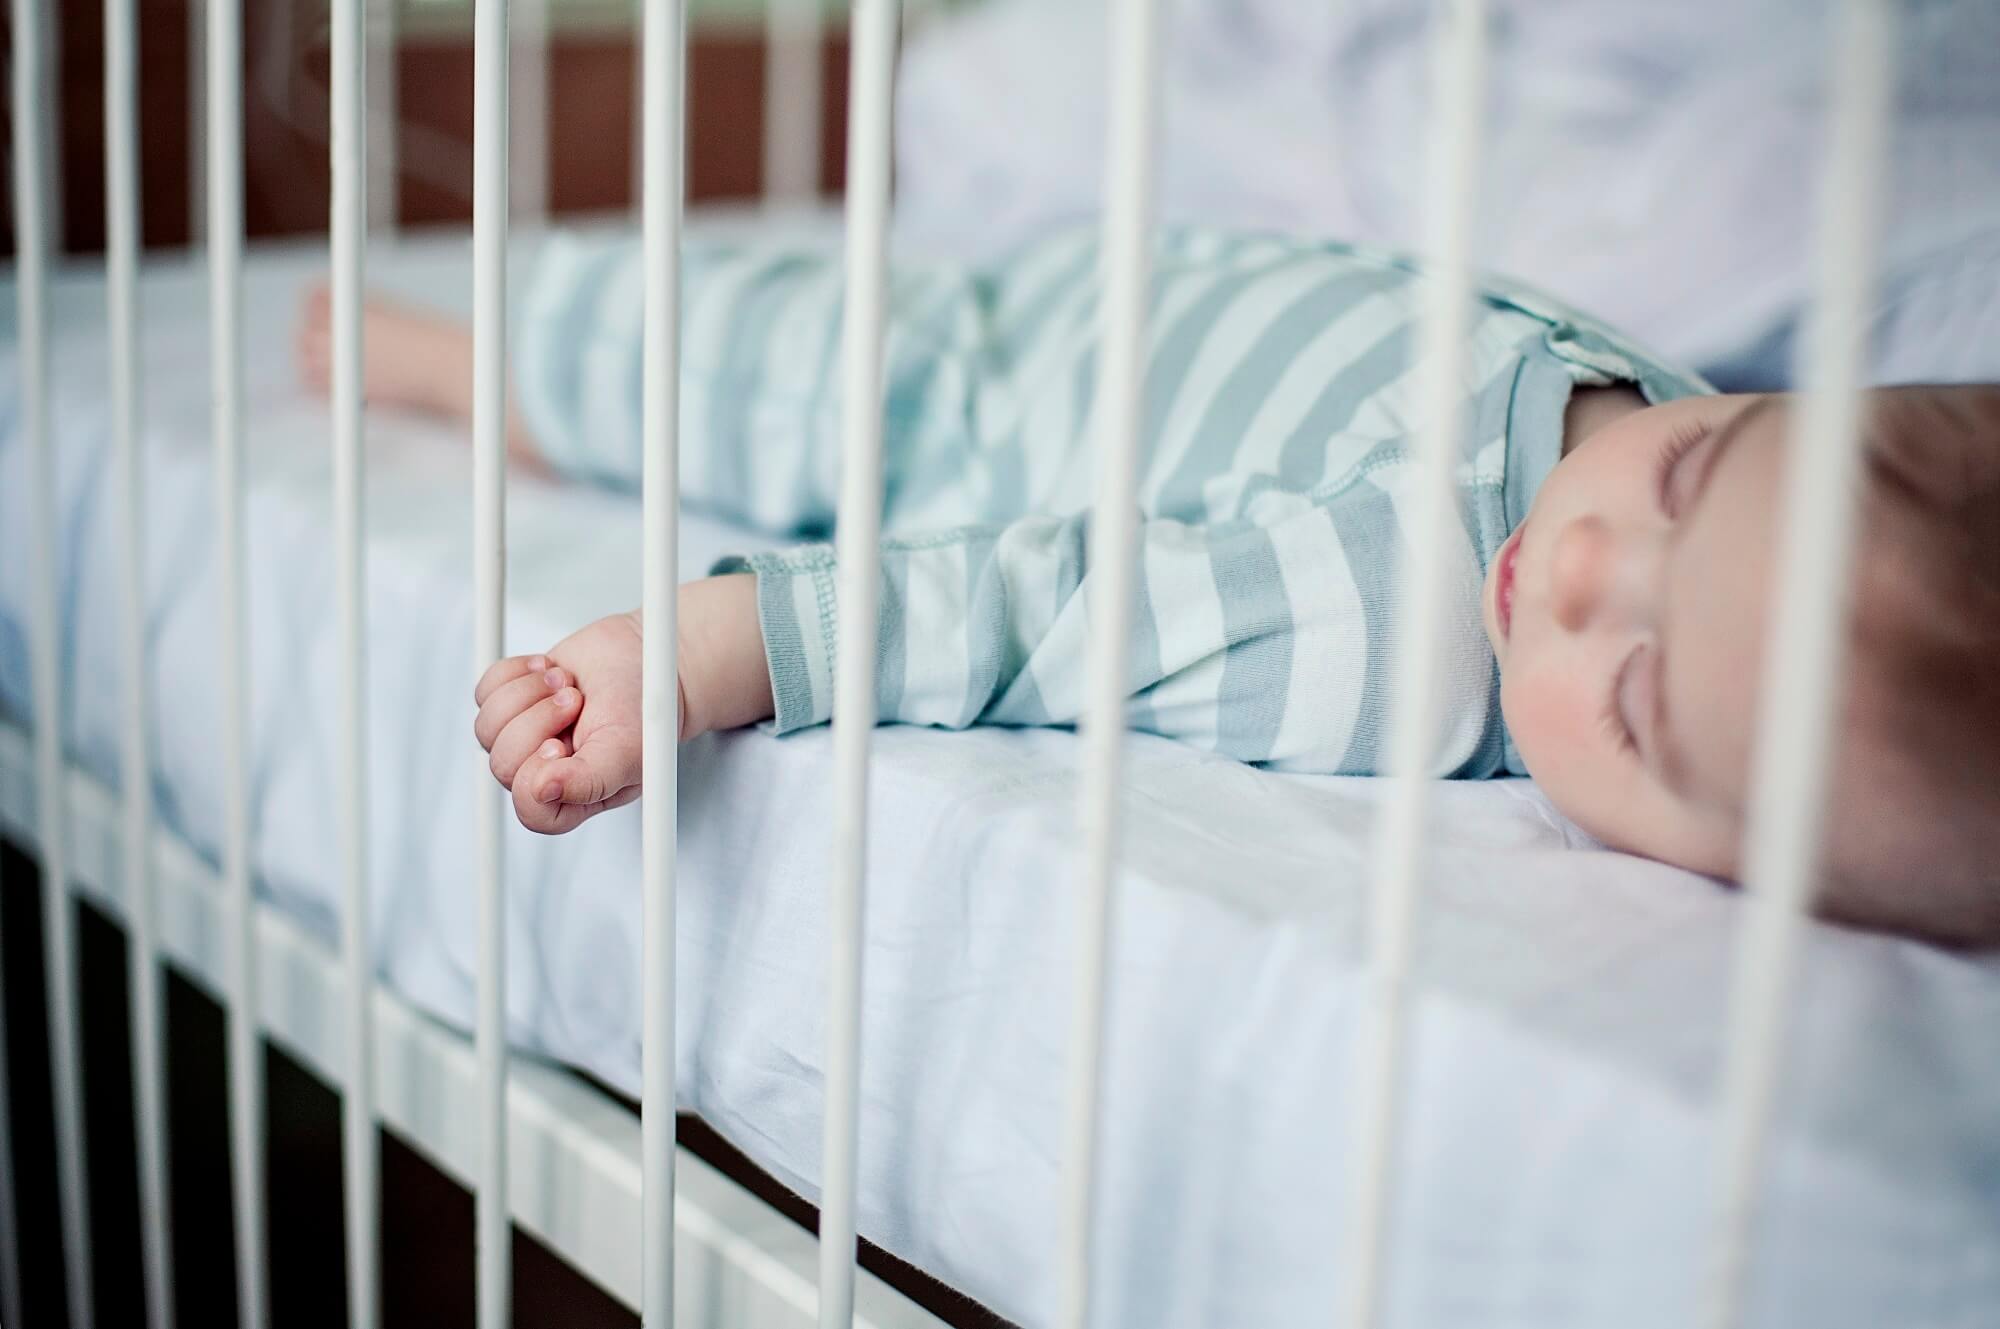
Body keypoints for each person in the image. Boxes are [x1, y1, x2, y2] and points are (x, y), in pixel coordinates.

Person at [299, 228, 2000, 947]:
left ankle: (442, 360)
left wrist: (698, 652)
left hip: (974, 413)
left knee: (730, 357)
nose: (1575, 557)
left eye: (1629, 701)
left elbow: (1049, 612)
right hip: (1106, 300)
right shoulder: (1683, 428)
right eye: (1695, 481)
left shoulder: (1398, 632)